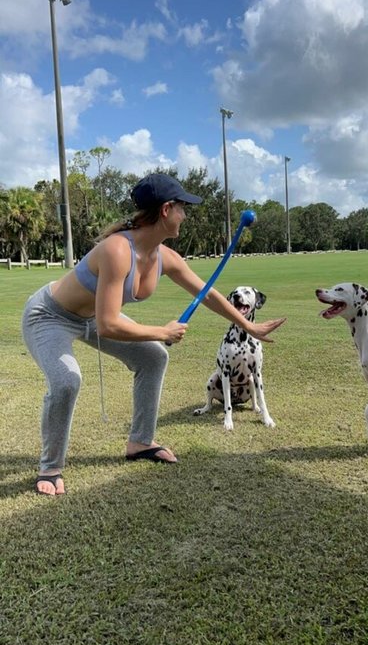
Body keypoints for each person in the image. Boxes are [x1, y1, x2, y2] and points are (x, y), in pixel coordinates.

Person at [22, 173, 286, 496]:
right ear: (165, 210)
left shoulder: (165, 257)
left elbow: (206, 293)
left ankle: (141, 442)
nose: (185, 216)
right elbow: (108, 325)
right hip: (49, 315)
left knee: (153, 357)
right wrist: (163, 331)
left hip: (91, 316)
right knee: (67, 380)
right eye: (182, 208)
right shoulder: (117, 250)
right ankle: (50, 467)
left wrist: (248, 325)